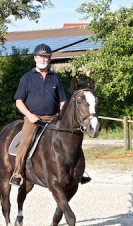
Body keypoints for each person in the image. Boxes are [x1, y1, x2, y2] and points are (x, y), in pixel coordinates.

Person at [9, 43, 91, 186]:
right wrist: (29, 115)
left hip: (53, 118)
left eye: (46, 57)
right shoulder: (27, 78)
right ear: (35, 58)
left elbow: (62, 101)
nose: (43, 59)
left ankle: (80, 171)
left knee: (71, 140)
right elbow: (19, 102)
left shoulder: (55, 79)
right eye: (41, 56)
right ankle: (17, 172)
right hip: (33, 119)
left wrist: (62, 114)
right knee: (26, 141)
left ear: (49, 59)